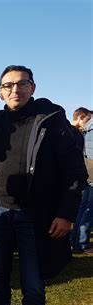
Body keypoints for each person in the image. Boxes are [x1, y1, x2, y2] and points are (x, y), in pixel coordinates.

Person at [0, 65, 88, 305]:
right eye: (8, 85)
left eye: (22, 84)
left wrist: (66, 213)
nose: (15, 90)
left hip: (35, 215)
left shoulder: (50, 119)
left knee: (32, 284)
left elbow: (74, 172)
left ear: (33, 87)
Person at [70, 107, 93, 253]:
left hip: (87, 171)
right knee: (89, 209)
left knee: (84, 207)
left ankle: (76, 239)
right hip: (91, 170)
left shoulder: (86, 131)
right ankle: (82, 242)